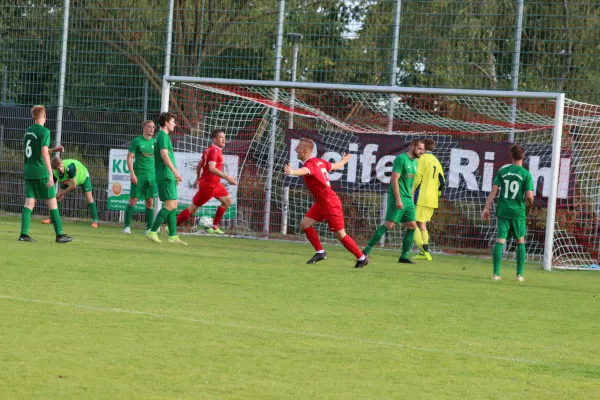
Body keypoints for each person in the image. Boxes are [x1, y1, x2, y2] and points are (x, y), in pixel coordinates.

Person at [283, 138, 369, 268]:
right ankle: (320, 252)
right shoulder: (319, 162)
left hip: (330, 203)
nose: (296, 150)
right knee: (305, 224)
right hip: (322, 202)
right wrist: (343, 161)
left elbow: (304, 171)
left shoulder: (310, 164)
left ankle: (362, 258)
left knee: (340, 234)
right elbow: (335, 166)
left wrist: (292, 172)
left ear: (305, 150)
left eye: (298, 147)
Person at [363, 139, 425, 263]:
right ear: (412, 147)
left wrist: (411, 199)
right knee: (389, 225)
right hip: (398, 197)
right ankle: (365, 251)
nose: (421, 152)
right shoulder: (401, 159)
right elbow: (394, 179)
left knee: (412, 226)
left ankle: (404, 257)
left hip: (408, 199)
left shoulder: (415, 163)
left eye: (423, 150)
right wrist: (398, 199)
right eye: (420, 149)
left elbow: (411, 183)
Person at [19, 105, 73, 243]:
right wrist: (50, 174)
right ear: (44, 116)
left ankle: (24, 234)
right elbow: (43, 153)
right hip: (41, 172)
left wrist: (54, 149)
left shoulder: (27, 131)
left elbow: (35, 150)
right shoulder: (45, 131)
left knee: (29, 203)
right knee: (52, 202)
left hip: (29, 171)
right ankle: (59, 235)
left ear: (32, 116)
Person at [482, 144, 534, 282]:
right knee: (520, 241)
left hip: (503, 210)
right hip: (518, 212)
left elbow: (493, 192)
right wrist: (530, 203)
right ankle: (519, 275)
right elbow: (529, 196)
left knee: (500, 240)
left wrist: (486, 208)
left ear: (511, 156)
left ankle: (496, 274)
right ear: (523, 157)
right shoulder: (526, 174)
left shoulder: (503, 172)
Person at [176, 129, 237, 234]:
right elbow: (212, 168)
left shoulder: (209, 149)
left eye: (224, 137)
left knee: (227, 201)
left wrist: (197, 179)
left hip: (215, 184)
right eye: (221, 137)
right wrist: (228, 178)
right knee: (193, 208)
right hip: (209, 185)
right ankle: (171, 227)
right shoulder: (214, 151)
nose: (224, 139)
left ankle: (214, 226)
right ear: (214, 139)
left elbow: (200, 165)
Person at [146, 112, 186, 245]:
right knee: (170, 205)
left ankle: (173, 236)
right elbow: (164, 155)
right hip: (166, 175)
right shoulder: (163, 136)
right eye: (173, 122)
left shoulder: (162, 136)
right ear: (166, 122)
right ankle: (153, 231)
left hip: (168, 176)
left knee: (173, 205)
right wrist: (175, 172)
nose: (174, 124)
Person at [412, 138, 446, 261]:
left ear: (423, 147)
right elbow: (442, 182)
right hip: (432, 199)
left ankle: (424, 250)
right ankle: (424, 252)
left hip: (421, 196)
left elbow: (418, 177)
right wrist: (436, 195)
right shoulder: (436, 161)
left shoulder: (422, 159)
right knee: (422, 224)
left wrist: (411, 192)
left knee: (411, 223)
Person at [41, 157, 99, 227]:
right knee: (58, 198)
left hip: (82, 177)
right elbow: (51, 185)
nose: (60, 170)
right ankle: (52, 219)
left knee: (89, 199)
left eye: (60, 167)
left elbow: (73, 186)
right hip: (67, 180)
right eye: (57, 169)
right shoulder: (55, 172)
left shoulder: (70, 167)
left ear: (62, 163)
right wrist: (48, 196)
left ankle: (95, 222)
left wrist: (59, 194)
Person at [124, 120, 157, 235]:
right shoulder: (137, 141)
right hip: (139, 175)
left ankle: (149, 229)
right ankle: (127, 227)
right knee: (133, 200)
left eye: (153, 127)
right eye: (149, 127)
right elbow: (129, 158)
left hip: (152, 176)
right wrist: (132, 174)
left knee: (150, 202)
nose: (152, 129)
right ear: (144, 127)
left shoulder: (155, 142)